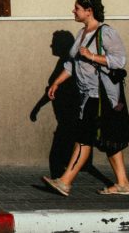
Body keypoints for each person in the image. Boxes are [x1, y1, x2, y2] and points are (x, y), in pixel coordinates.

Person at [42, 0, 129, 196]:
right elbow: (72, 65)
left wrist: (92, 56)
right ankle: (123, 183)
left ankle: (65, 182)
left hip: (101, 96)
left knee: (84, 139)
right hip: (87, 96)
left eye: (77, 8)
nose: (73, 11)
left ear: (89, 11)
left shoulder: (105, 33)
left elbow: (119, 60)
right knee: (107, 139)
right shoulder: (82, 34)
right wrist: (56, 83)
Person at [29, 30, 81, 178]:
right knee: (64, 152)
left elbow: (53, 89)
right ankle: (61, 179)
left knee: (57, 154)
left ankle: (59, 181)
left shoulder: (67, 63)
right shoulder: (65, 61)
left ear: (62, 45)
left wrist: (37, 107)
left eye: (54, 42)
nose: (51, 45)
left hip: (68, 116)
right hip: (66, 116)